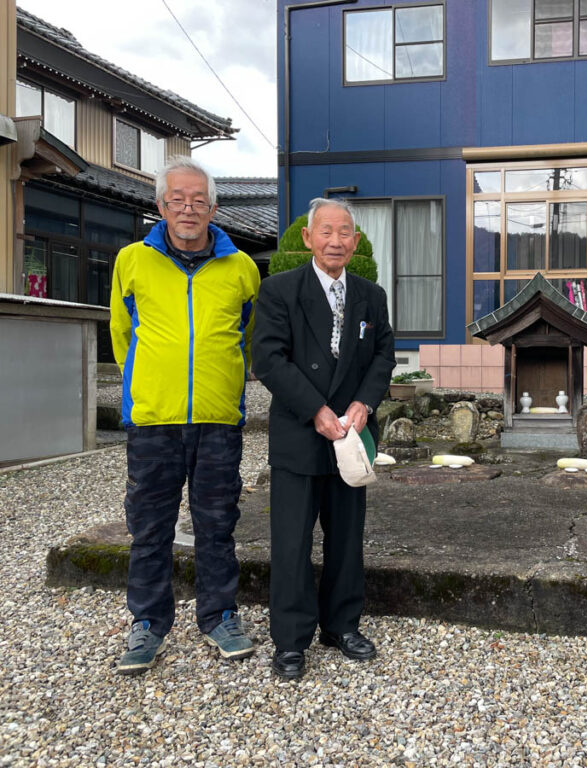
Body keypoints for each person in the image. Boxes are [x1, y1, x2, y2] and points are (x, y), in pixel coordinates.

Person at [109, 156, 261, 674]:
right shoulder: (131, 260)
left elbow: (245, 335)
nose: (189, 208)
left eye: (199, 200)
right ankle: (148, 623)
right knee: (149, 526)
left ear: (214, 207)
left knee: (217, 523)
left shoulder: (241, 267)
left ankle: (219, 615)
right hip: (153, 419)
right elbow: (122, 336)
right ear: (161, 206)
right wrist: (143, 391)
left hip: (218, 417)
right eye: (179, 199)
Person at [252, 198, 395, 680]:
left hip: (351, 437)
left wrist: (364, 403)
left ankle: (342, 624)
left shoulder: (371, 296)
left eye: (345, 232)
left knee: (347, 538)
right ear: (308, 239)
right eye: (326, 231)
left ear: (355, 242)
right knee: (291, 543)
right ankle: (290, 641)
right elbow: (270, 359)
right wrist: (315, 409)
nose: (336, 240)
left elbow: (382, 357)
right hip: (299, 433)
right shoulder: (278, 290)